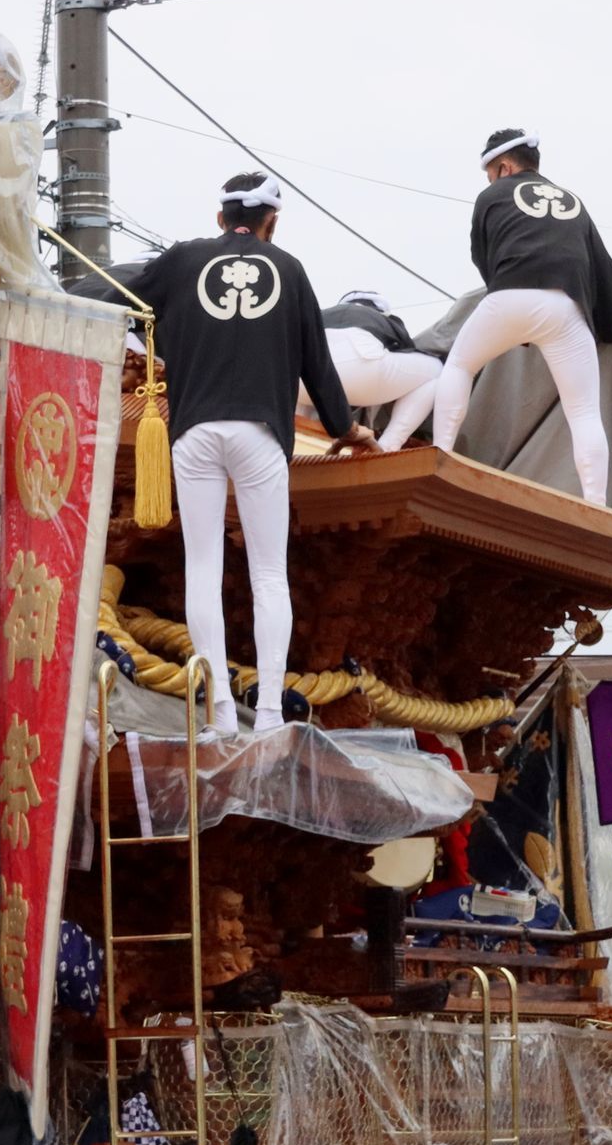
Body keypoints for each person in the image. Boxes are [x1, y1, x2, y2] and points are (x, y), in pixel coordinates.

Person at [128, 171, 369, 736]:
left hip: (194, 432)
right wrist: (344, 426)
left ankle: (216, 715)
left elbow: (124, 299)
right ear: (272, 224)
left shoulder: (184, 260)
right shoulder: (289, 270)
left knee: (203, 568)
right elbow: (318, 364)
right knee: (268, 573)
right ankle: (265, 715)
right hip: (261, 434)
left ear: (220, 217)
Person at [436, 129, 612, 504]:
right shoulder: (574, 202)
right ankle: (596, 503)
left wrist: (506, 305)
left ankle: (440, 457)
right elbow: (606, 272)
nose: (489, 180)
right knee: (584, 411)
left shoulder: (492, 195)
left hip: (508, 295)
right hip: (567, 309)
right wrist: (603, 328)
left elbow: (482, 255)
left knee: (458, 367)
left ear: (504, 167)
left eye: (490, 172)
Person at [317, 289, 441, 451]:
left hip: (305, 386)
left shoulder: (321, 314)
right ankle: (389, 444)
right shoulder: (385, 319)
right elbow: (406, 350)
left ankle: (300, 433)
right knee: (435, 370)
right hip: (361, 374)